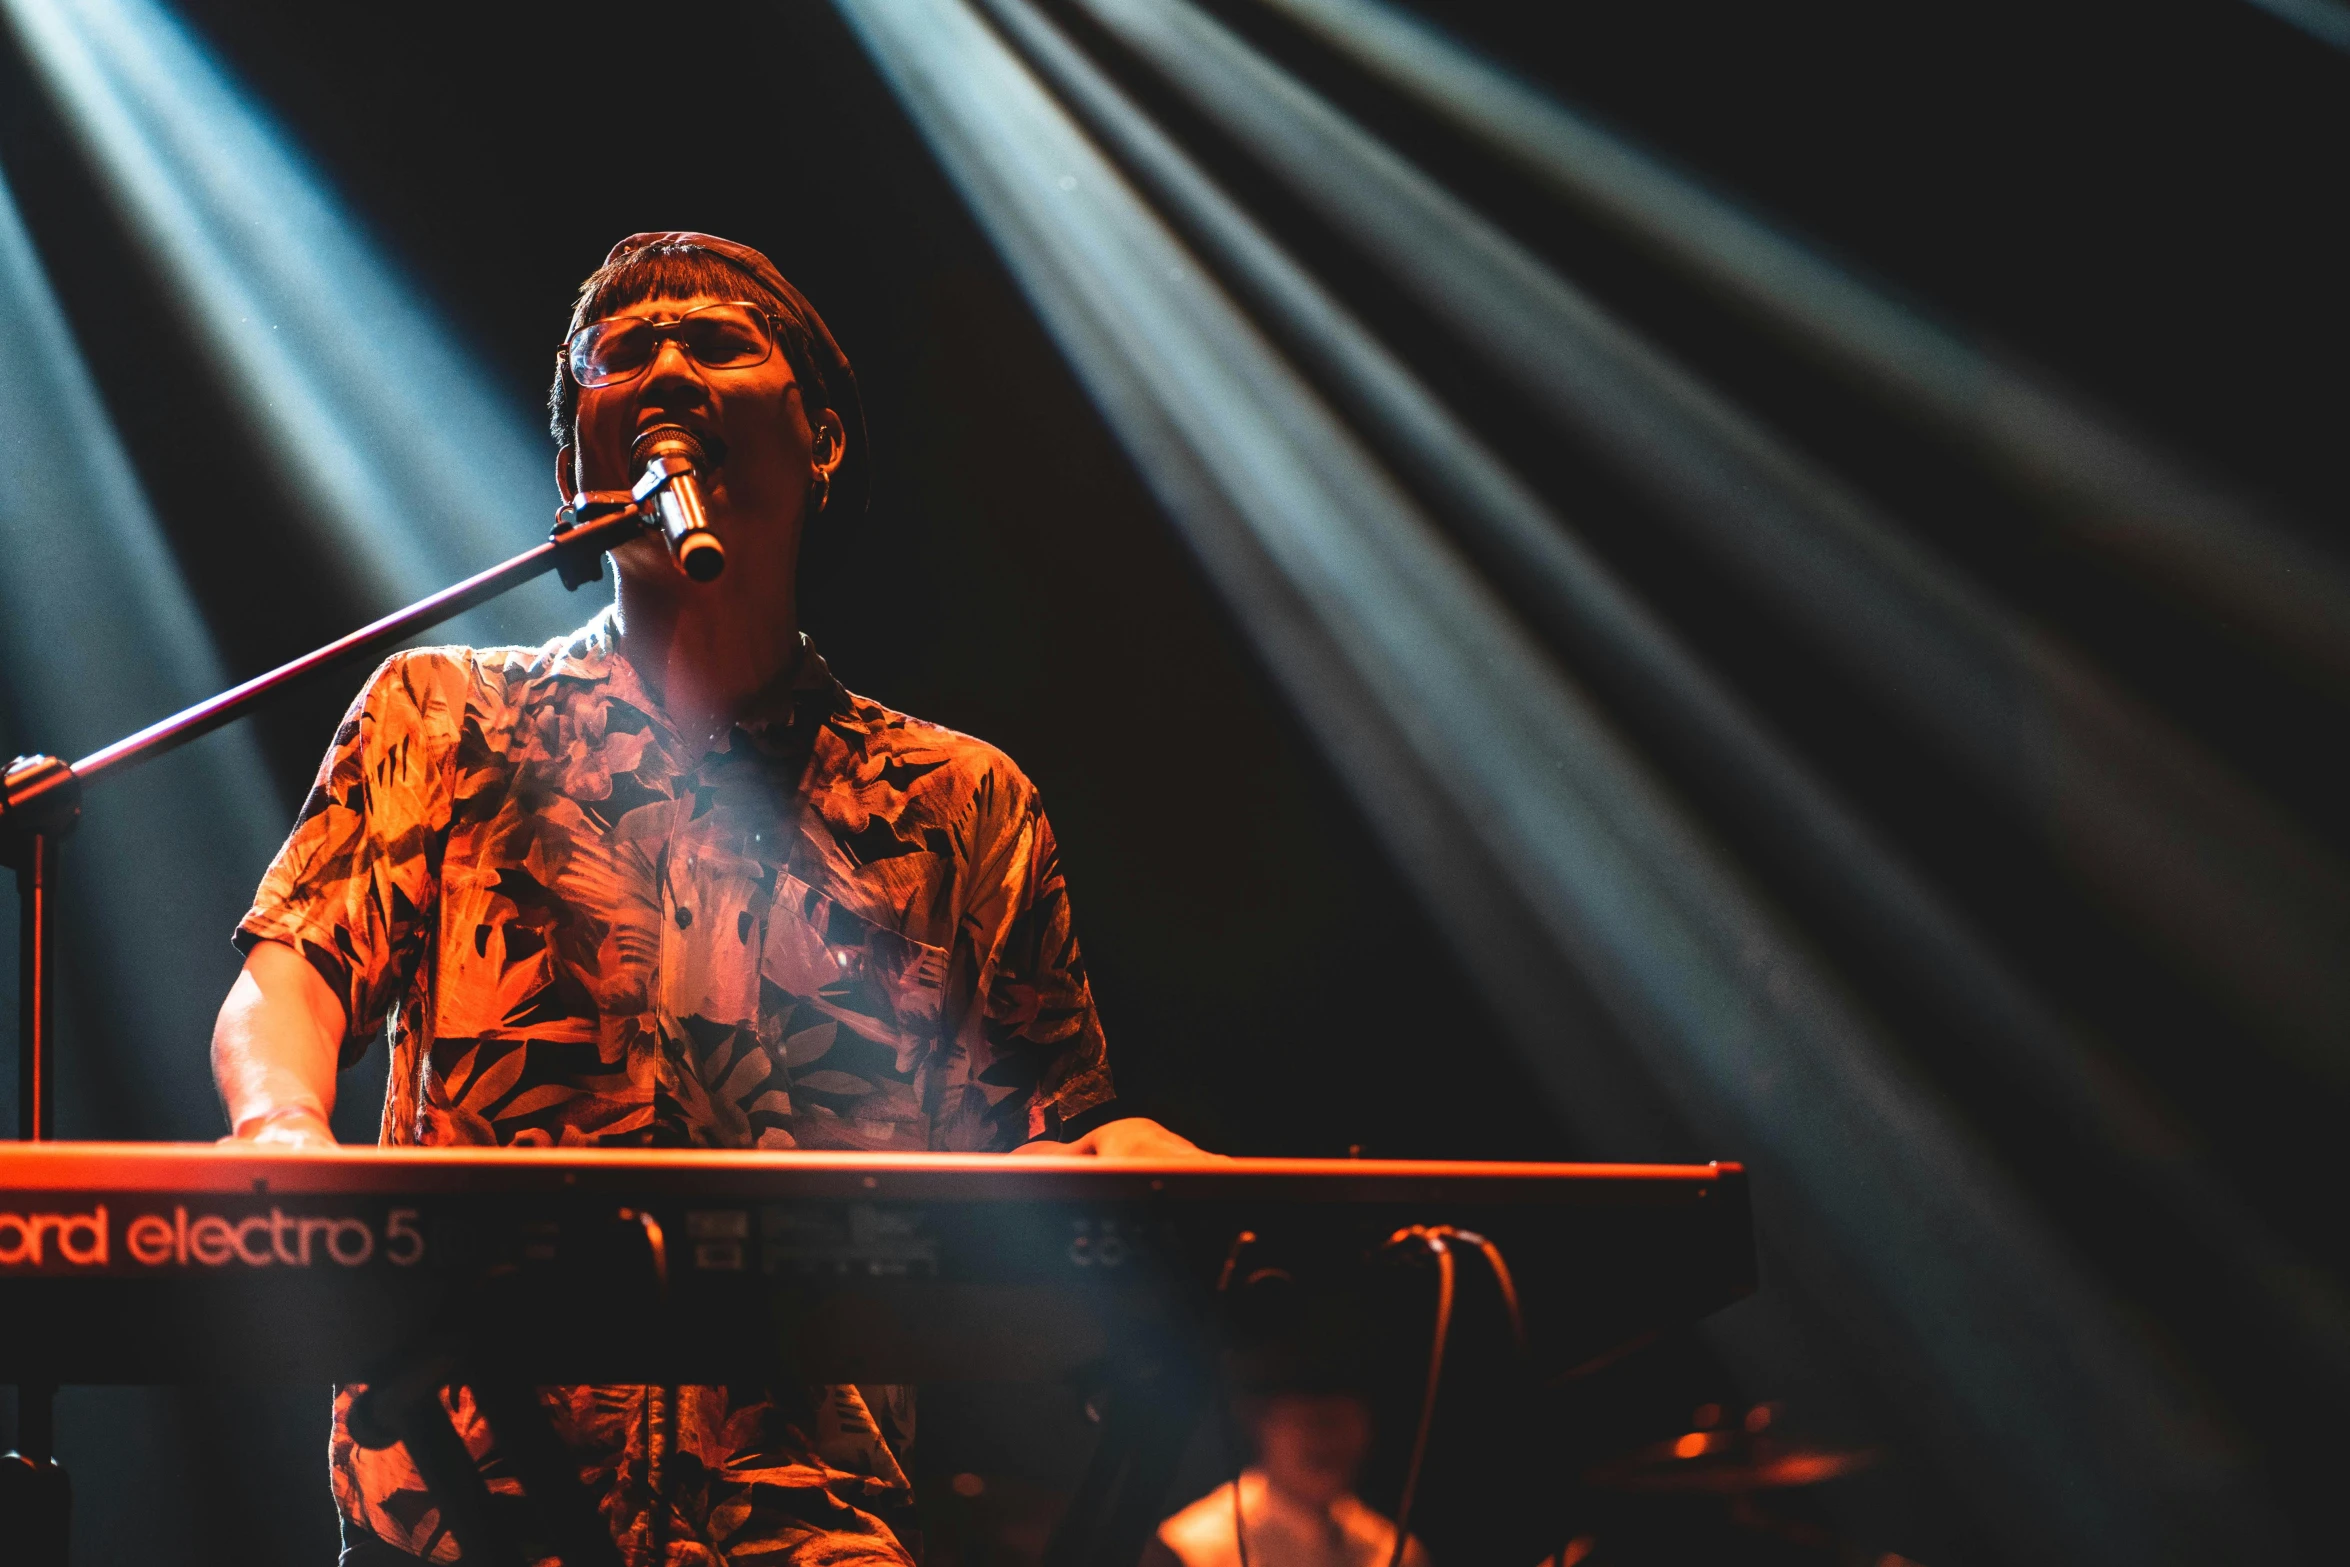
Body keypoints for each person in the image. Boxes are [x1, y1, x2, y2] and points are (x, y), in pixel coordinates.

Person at [210, 231, 1205, 1566]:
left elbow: (1046, 1144)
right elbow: (294, 966)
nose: (666, 365)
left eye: (719, 341)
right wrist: (280, 1125)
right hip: (466, 1505)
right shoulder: (445, 718)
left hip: (808, 1521)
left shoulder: (956, 802)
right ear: (576, 471)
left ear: (824, 440)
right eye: (620, 357)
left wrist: (1125, 1160)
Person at [1149, 1392, 1428, 1567]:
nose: (1326, 1440)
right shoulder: (1192, 1549)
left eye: (1342, 1418)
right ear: (1261, 1424)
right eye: (1310, 1419)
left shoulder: (1397, 1552)